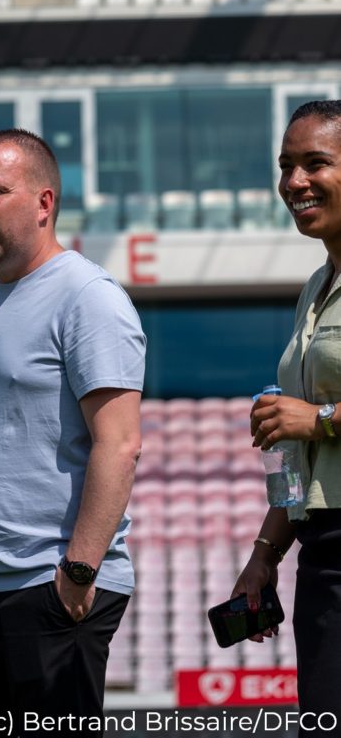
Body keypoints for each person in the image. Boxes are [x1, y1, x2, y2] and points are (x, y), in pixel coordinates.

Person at [0, 128, 145, 737]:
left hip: (48, 589)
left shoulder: (88, 296)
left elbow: (119, 443)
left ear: (45, 202)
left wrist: (77, 576)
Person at [233, 99, 341, 729]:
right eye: (285, 166)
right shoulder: (314, 289)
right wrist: (266, 553)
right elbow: (301, 448)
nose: (294, 182)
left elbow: (314, 424)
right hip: (323, 549)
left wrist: (321, 418)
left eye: (315, 163)